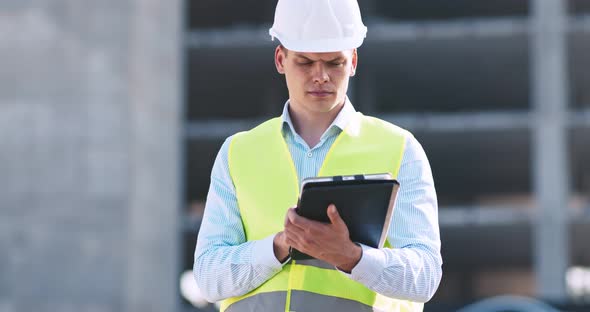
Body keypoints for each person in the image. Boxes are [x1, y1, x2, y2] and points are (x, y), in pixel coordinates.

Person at [194, 0, 442, 311]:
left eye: (333, 62)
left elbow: (425, 276)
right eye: (306, 62)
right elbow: (207, 276)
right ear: (281, 59)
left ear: (352, 61)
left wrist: (351, 257)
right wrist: (280, 245)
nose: (321, 75)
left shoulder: (400, 149)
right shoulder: (238, 153)